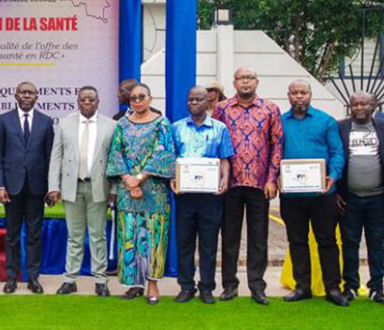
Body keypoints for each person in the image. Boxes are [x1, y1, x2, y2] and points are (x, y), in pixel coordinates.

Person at [211, 67, 282, 305]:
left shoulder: (270, 109)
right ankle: (229, 285)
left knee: (258, 237)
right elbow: (215, 142)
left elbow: (277, 145)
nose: (245, 82)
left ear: (257, 81)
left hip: (259, 184)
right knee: (229, 236)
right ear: (234, 82)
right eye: (241, 78)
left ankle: (257, 286)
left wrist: (272, 178)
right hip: (229, 183)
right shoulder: (221, 109)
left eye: (250, 78)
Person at [278, 80, 348, 306]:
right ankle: (302, 286)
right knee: (297, 241)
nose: (299, 97)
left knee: (327, 241)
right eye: (295, 93)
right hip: (292, 195)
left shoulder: (325, 121)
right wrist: (275, 177)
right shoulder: (279, 122)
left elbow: (337, 152)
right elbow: (273, 153)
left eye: (303, 93)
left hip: (322, 194)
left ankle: (333, 288)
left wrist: (333, 176)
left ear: (310, 95)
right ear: (288, 96)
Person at [105, 83, 176, 304]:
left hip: (154, 193)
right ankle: (135, 284)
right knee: (130, 237)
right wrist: (128, 180)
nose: (137, 101)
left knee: (154, 237)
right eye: (133, 98)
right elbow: (116, 153)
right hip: (128, 193)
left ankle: (152, 284)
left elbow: (163, 153)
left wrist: (140, 178)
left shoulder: (161, 124)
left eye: (141, 97)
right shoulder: (122, 124)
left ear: (150, 98)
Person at [48, 86, 117, 297]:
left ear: (98, 102)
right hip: (72, 186)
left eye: (91, 99)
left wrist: (114, 188)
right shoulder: (65, 123)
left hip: (98, 187)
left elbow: (116, 160)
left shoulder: (111, 125)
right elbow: (56, 157)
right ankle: (70, 279)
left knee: (97, 236)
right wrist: (53, 186)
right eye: (83, 99)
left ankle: (100, 280)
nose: (87, 102)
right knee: (74, 236)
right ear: (77, 102)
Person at [170, 86, 233, 304]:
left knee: (208, 244)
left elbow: (224, 158)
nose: (194, 102)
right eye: (190, 99)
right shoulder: (176, 128)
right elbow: (172, 158)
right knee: (184, 243)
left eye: (199, 99)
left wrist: (225, 178)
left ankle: (207, 287)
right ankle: (186, 286)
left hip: (210, 196)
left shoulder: (220, 128)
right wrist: (172, 178)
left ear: (208, 102)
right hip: (185, 195)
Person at [0, 81, 55, 295]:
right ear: (16, 95)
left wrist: (51, 187)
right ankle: (11, 276)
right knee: (12, 234)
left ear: (37, 97)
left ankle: (33, 277)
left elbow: (50, 158)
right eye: (23, 92)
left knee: (34, 234)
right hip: (11, 187)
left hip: (37, 188)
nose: (27, 96)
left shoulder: (46, 122)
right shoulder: (3, 120)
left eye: (31, 93)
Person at [337, 90, 384, 305]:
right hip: (349, 198)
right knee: (349, 243)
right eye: (355, 104)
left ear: (374, 106)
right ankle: (350, 286)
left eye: (364, 104)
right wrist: (336, 192)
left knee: (376, 244)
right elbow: (335, 157)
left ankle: (377, 288)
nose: (359, 108)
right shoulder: (341, 127)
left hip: (377, 198)